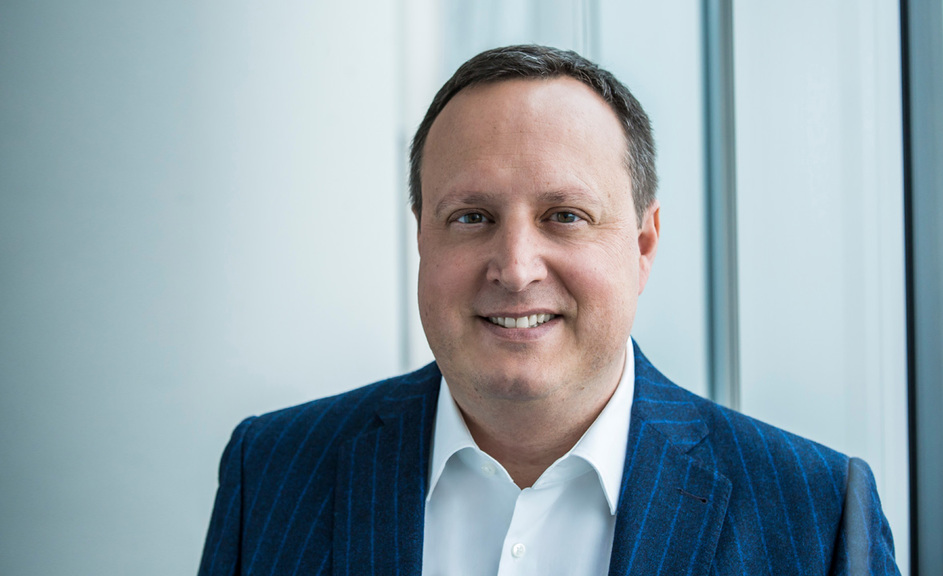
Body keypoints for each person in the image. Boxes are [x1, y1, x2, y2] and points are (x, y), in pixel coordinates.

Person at [198, 45, 898, 576]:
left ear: (644, 244)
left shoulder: (816, 514)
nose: (515, 268)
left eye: (564, 215)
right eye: (471, 217)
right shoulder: (273, 472)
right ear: (421, 239)